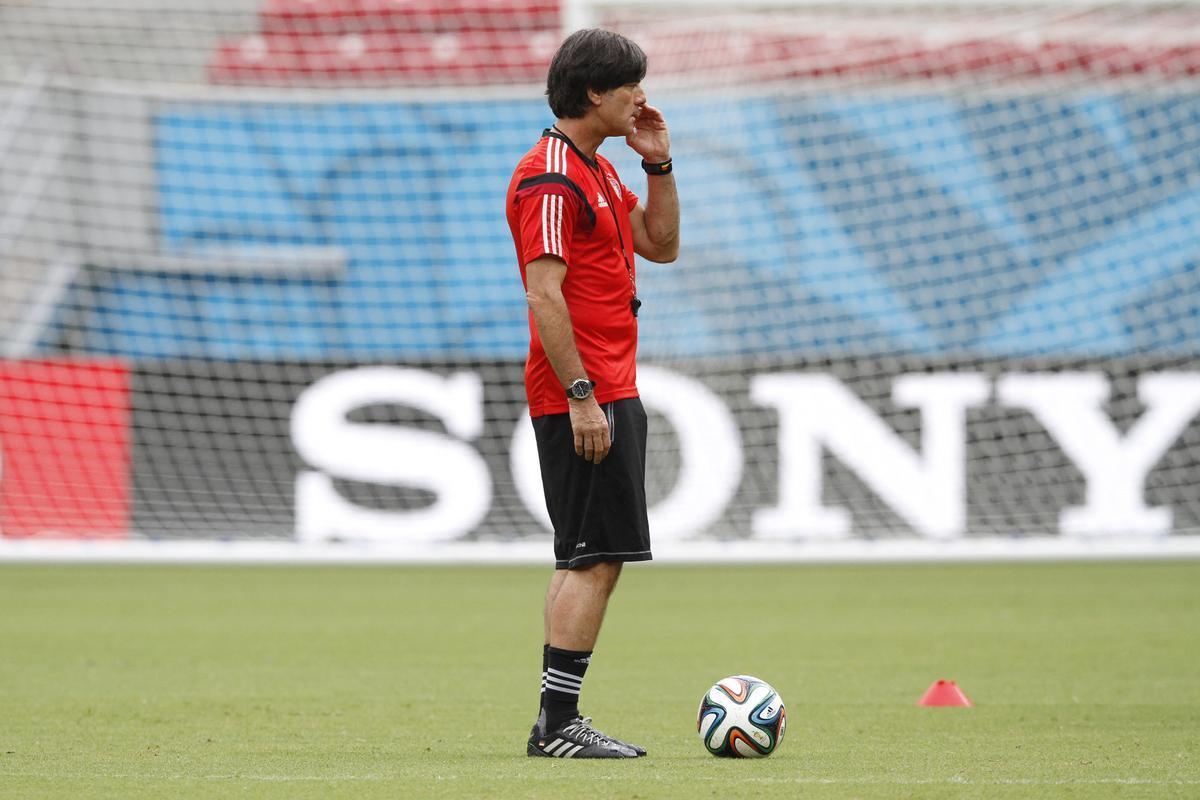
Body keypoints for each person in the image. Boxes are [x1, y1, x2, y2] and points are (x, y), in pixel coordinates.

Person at [505, 28, 679, 759]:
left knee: (584, 556)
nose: (641, 95)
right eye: (629, 85)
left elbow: (662, 245)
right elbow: (544, 294)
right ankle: (556, 727)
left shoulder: (600, 170)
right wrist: (581, 394)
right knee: (594, 558)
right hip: (583, 388)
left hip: (610, 382)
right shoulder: (550, 177)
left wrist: (660, 163)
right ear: (591, 95)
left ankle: (555, 721)